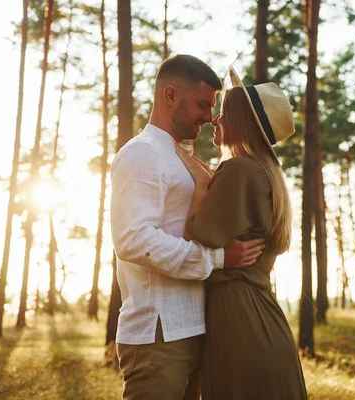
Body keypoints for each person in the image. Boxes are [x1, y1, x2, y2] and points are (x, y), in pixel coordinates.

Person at [110, 55, 265, 400]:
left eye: (211, 107)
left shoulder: (181, 157)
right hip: (157, 334)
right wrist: (219, 259)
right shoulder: (142, 154)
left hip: (194, 327)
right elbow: (134, 240)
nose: (209, 118)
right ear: (169, 96)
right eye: (202, 105)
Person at [175, 66, 307, 400]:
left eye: (222, 113)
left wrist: (202, 185)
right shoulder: (264, 171)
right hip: (264, 321)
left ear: (241, 122)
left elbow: (194, 233)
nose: (214, 121)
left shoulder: (236, 169)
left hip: (240, 322)